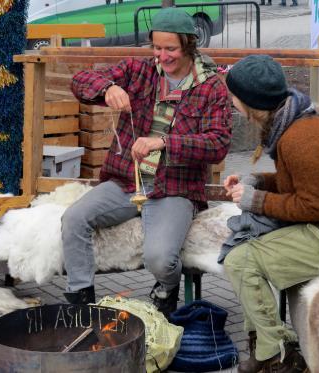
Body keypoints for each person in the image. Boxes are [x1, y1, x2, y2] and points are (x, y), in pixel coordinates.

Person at [61, 7, 231, 317]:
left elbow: (218, 144)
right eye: (157, 47)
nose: (162, 56)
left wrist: (165, 143)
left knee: (160, 259)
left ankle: (166, 289)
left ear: (189, 45)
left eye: (171, 49)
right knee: (74, 219)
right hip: (126, 180)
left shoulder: (211, 86)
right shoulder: (139, 71)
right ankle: (81, 300)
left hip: (174, 188)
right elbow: (81, 80)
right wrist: (107, 88)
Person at [222, 55, 319, 373]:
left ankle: (276, 355)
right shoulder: (295, 118)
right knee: (242, 249)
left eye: (234, 96)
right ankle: (265, 345)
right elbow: (298, 183)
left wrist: (256, 201)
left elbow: (314, 206)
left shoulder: (299, 138)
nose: (231, 102)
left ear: (252, 102)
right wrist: (255, 181)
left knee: (239, 261)